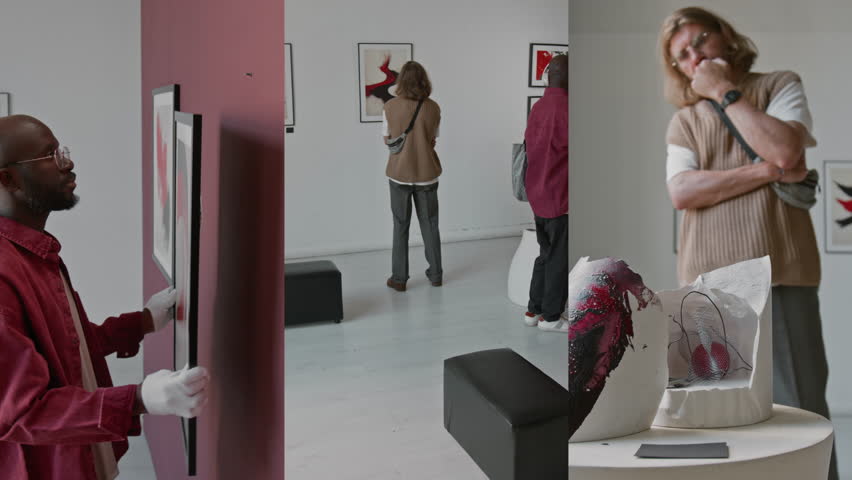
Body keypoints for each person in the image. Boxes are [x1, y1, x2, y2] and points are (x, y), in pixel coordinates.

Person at [659, 7, 836, 479]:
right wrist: (765, 171)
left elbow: (785, 149)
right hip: (706, 284)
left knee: (800, 407)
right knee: (718, 417)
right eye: (682, 54)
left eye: (701, 41)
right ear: (676, 68)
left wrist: (724, 91)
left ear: (726, 39)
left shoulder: (778, 85)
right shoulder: (685, 122)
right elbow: (681, 192)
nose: (694, 55)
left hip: (780, 270)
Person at [0, 115, 210, 479]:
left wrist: (143, 321)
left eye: (61, 150)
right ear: (8, 179)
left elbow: (61, 350)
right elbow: (23, 411)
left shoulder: (35, 252)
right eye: (50, 155)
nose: (68, 162)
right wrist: (140, 399)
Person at [382, 61, 443, 292]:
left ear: (401, 81)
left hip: (399, 175)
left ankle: (399, 278)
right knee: (430, 225)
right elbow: (433, 139)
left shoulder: (390, 106)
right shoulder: (433, 107)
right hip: (427, 175)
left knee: (400, 226)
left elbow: (387, 141)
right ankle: (436, 274)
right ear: (423, 80)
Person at [522, 54, 569, 333]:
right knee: (558, 259)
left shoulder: (538, 107)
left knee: (545, 253)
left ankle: (533, 309)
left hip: (537, 193)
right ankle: (550, 318)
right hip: (560, 196)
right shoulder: (569, 109)